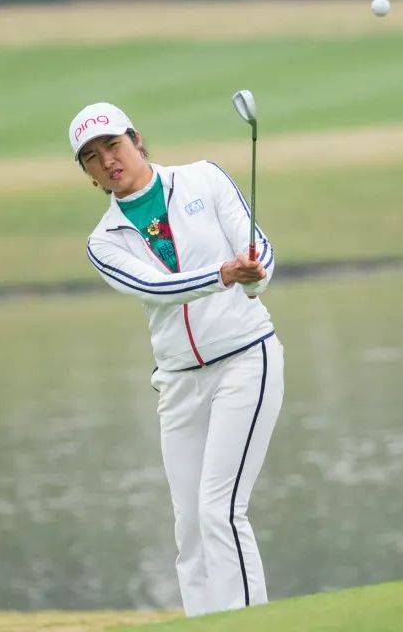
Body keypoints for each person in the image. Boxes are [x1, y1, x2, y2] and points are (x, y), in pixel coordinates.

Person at [69, 101, 284, 616]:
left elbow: (258, 248)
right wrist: (224, 275)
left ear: (136, 139)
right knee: (189, 528)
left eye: (113, 146)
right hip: (179, 383)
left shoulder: (204, 179)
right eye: (93, 158)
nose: (108, 161)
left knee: (220, 509)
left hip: (244, 359)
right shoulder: (103, 241)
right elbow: (155, 287)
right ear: (89, 174)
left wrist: (255, 272)